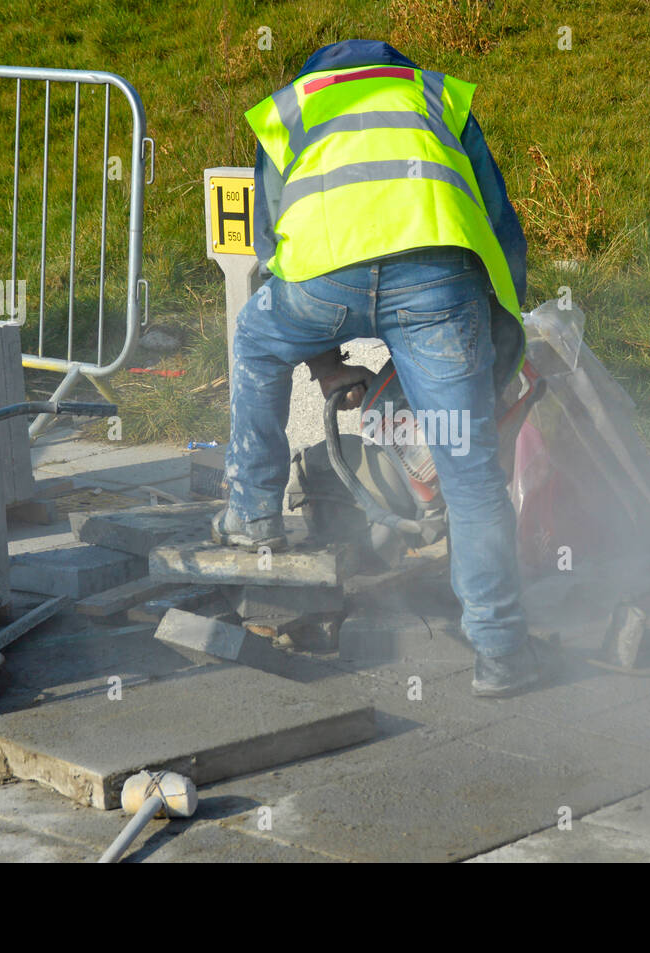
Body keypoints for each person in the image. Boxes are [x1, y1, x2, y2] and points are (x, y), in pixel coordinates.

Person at [214, 39, 552, 697]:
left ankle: (253, 509)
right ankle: (503, 653)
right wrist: (501, 340)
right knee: (474, 477)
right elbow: (500, 225)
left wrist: (322, 358)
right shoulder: (435, 98)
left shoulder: (291, 108)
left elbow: (273, 250)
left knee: (256, 341)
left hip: (323, 282)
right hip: (437, 285)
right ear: (392, 68)